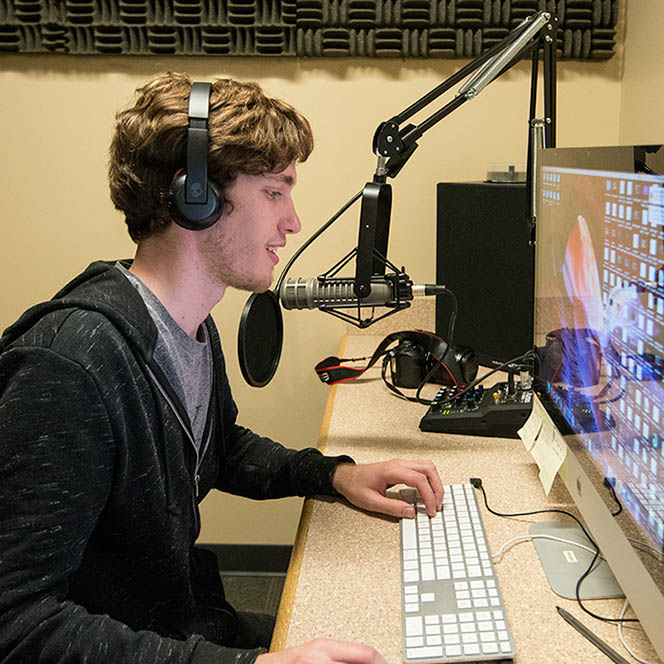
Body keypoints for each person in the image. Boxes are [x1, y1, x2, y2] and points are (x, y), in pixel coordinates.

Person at [0, 72, 443, 664]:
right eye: (274, 192)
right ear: (197, 197)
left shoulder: (184, 322)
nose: (293, 221)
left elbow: (220, 448)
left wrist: (333, 476)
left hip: (184, 624)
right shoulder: (68, 369)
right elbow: (17, 625)